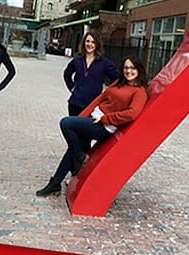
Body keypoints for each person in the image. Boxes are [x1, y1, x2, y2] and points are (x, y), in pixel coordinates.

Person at [36, 55, 149, 196]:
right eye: (126, 67)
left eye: (132, 68)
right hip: (93, 117)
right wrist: (83, 116)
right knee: (72, 149)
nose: (128, 71)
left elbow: (132, 114)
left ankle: (79, 158)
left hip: (104, 125)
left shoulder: (140, 91)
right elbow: (100, 99)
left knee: (66, 123)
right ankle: (55, 183)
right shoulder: (119, 82)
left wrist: (105, 118)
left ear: (139, 70)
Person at [63, 31, 119, 116]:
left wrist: (108, 95)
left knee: (86, 129)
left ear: (97, 44)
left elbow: (117, 79)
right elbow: (67, 74)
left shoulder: (104, 63)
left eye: (93, 42)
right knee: (73, 127)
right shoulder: (77, 60)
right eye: (87, 41)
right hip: (75, 104)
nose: (90, 44)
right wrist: (72, 87)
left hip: (93, 105)